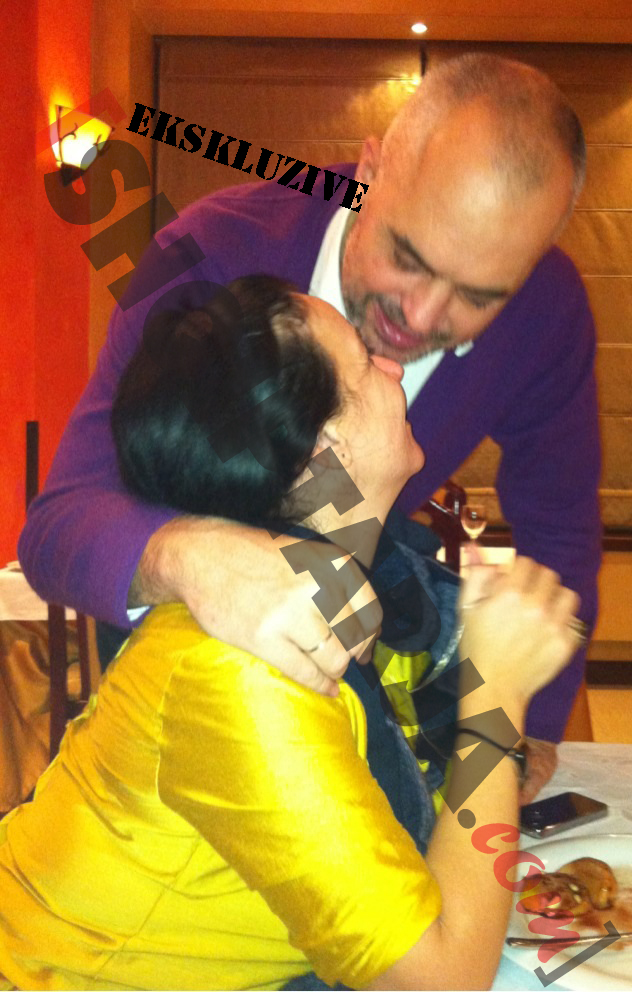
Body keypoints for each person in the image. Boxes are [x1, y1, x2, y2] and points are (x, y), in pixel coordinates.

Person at [18, 53, 601, 800]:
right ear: (367, 173)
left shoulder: (546, 312)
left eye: (478, 298)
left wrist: (535, 724)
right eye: (407, 257)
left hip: (350, 694)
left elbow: (561, 529)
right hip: (176, 704)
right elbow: (59, 524)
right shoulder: (208, 257)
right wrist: (194, 555)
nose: (419, 318)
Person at [0, 279, 582, 991]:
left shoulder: (363, 586)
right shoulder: (241, 673)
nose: (393, 367)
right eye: (365, 362)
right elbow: (440, 980)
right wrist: (496, 702)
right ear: (324, 453)